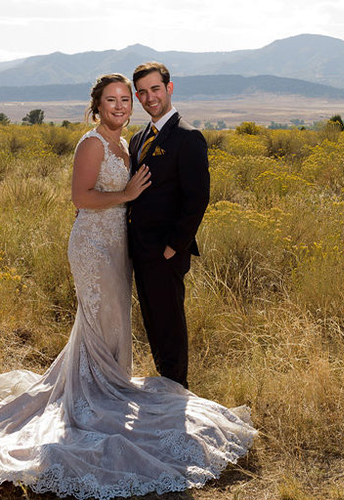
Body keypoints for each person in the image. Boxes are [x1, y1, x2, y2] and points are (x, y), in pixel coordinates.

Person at [0, 73, 255, 500]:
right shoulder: (92, 143)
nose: (124, 105)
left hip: (120, 247)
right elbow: (81, 198)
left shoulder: (132, 142)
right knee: (99, 319)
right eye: (116, 99)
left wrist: (163, 239)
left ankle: (113, 388)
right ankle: (94, 397)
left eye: (130, 98)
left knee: (113, 323)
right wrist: (125, 194)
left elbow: (190, 196)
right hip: (92, 245)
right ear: (98, 105)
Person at [127, 62, 210, 389]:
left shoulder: (188, 138)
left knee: (170, 326)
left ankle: (177, 394)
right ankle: (165, 390)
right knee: (152, 323)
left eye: (156, 89)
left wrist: (173, 247)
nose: (150, 98)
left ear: (169, 88)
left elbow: (197, 199)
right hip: (139, 250)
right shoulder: (137, 138)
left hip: (166, 253)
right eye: (143, 93)